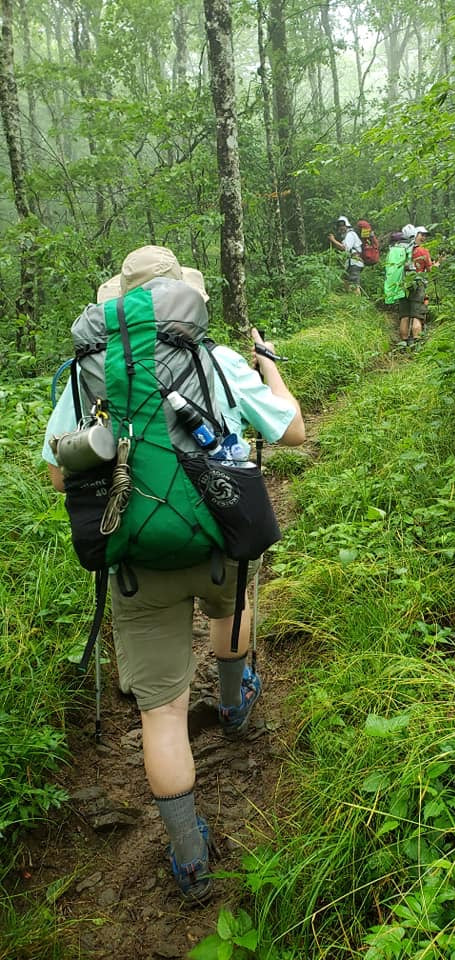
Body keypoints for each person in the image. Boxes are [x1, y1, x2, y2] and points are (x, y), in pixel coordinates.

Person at [42, 245, 306, 905]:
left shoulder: (86, 369)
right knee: (230, 611)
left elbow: (58, 475)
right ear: (184, 297)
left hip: (135, 559)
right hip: (217, 538)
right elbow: (294, 431)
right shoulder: (213, 358)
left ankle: (189, 858)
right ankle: (235, 704)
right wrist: (268, 365)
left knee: (162, 716)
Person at [405, 226, 438, 345]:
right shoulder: (423, 251)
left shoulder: (404, 250)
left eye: (425, 235)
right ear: (415, 235)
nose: (424, 237)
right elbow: (430, 270)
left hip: (403, 284)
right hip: (418, 285)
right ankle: (416, 343)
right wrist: (437, 264)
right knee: (417, 314)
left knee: (404, 315)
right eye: (422, 235)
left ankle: (404, 342)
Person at [328, 215, 363, 295]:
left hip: (355, 263)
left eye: (342, 225)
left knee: (354, 284)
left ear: (346, 226)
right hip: (350, 263)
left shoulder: (350, 234)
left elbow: (345, 248)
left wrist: (333, 240)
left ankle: (357, 300)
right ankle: (350, 298)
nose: (341, 228)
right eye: (339, 226)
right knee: (346, 282)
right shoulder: (347, 235)